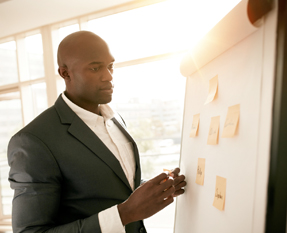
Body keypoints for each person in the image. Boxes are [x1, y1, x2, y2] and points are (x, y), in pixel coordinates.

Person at [7, 31, 186, 233]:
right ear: (65, 73)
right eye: (95, 68)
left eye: (110, 66)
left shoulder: (115, 119)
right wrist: (125, 213)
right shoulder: (33, 141)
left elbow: (111, 187)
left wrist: (156, 187)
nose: (109, 76)